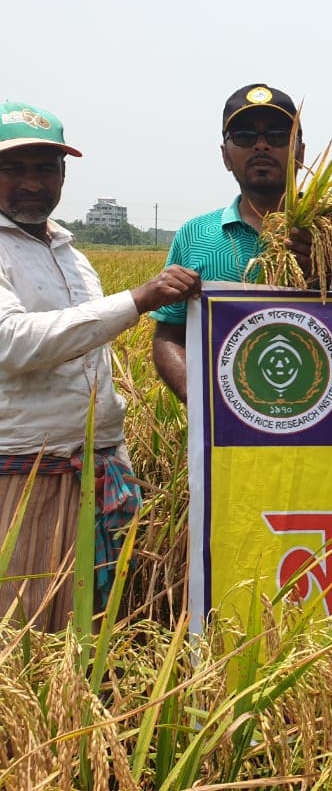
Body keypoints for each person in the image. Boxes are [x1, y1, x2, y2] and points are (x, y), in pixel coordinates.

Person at [0, 99, 200, 630]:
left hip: (98, 468)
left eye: (45, 168)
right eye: (12, 168)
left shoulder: (69, 251)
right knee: (30, 634)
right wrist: (137, 299)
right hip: (27, 481)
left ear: (63, 176)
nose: (30, 183)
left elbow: (87, 358)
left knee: (96, 629)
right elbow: (13, 343)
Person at [151, 83, 305, 403]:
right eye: (245, 137)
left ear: (300, 152)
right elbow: (169, 335)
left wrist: (325, 273)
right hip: (229, 437)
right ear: (225, 156)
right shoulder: (196, 235)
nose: (261, 147)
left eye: (278, 135)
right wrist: (200, 398)